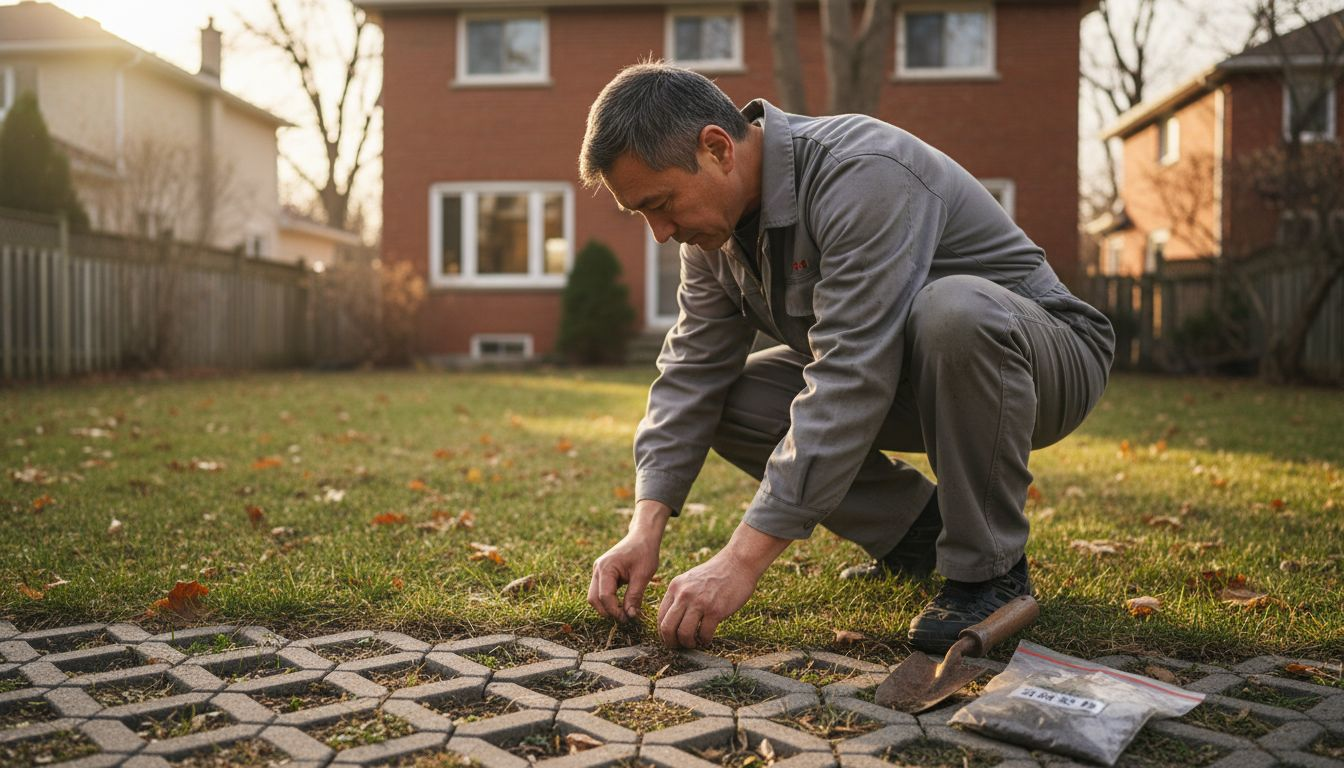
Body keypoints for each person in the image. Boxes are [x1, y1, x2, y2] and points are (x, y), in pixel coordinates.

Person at [579, 63, 1114, 653]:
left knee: (953, 309)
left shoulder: (860, 172)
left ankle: (988, 571)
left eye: (661, 204)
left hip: (1042, 360)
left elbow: (850, 374)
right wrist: (644, 525)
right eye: (642, 215)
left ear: (716, 148)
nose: (659, 232)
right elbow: (691, 373)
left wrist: (740, 562)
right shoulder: (715, 233)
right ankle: (919, 536)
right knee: (735, 400)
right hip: (910, 373)